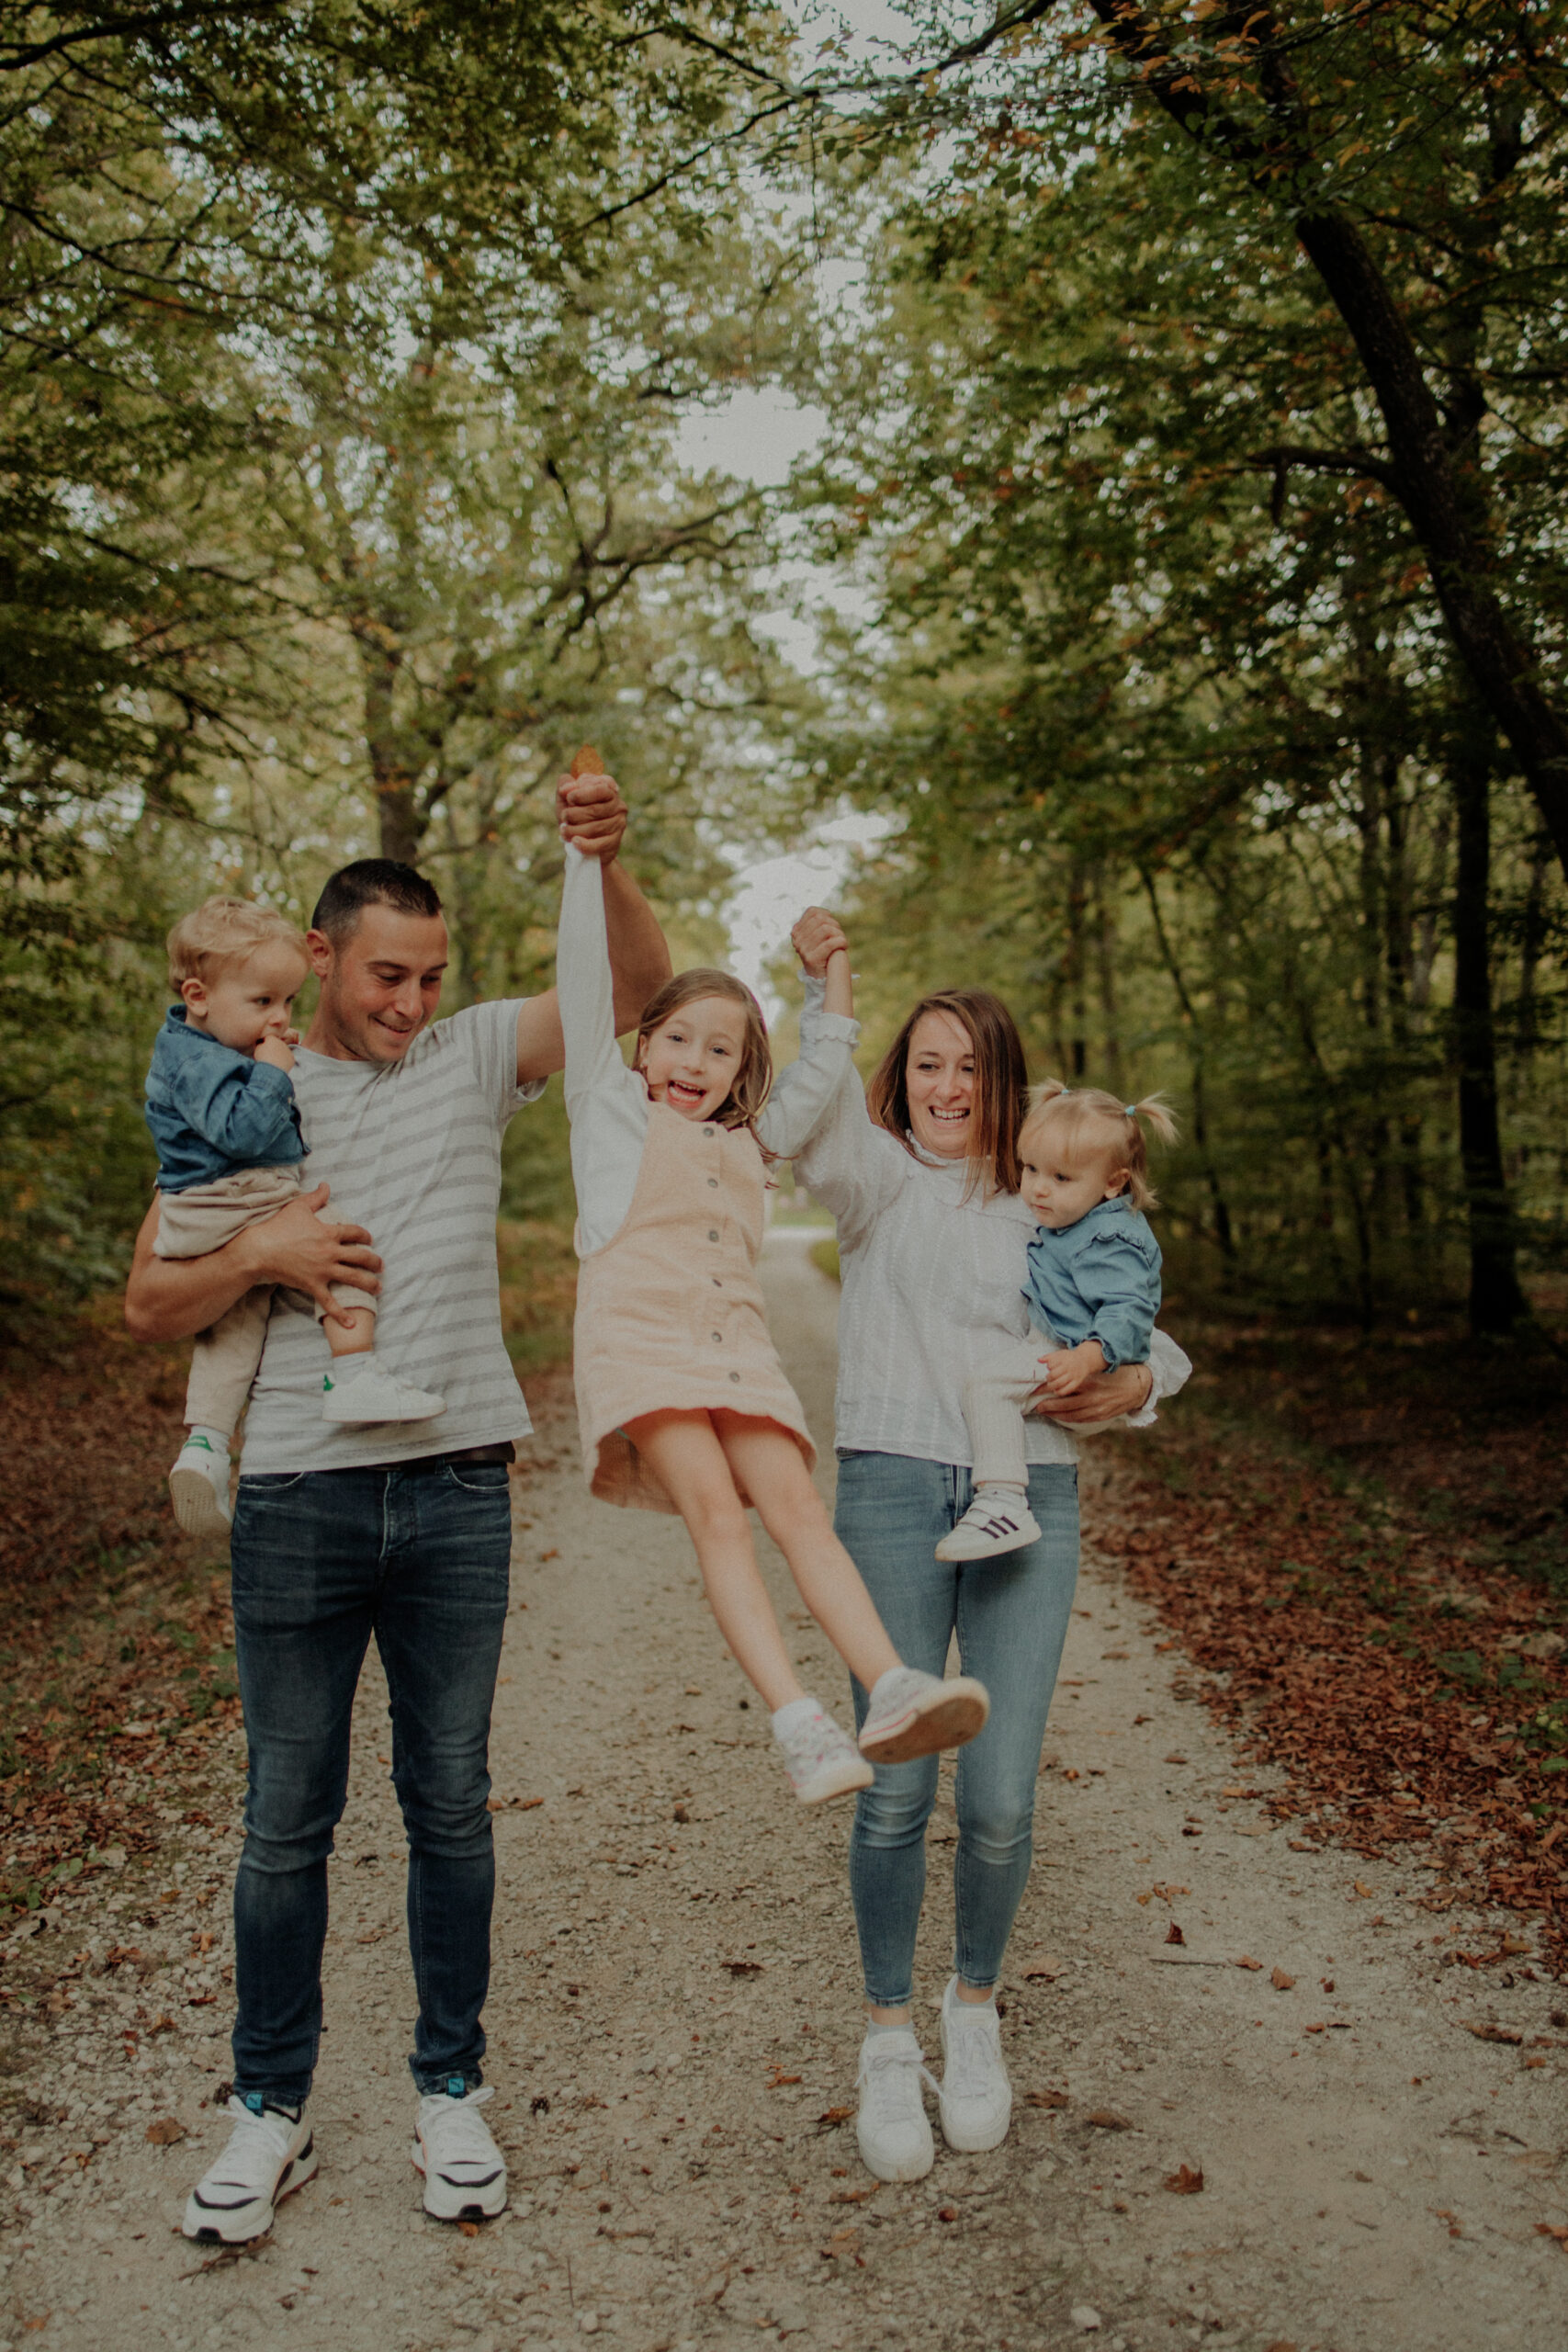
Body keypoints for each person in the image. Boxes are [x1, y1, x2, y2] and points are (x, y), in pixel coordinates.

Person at [123, 769, 670, 2244]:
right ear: (319, 960)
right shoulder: (244, 1082)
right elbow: (149, 1296)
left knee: (450, 1804)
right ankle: (267, 2113)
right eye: (385, 975)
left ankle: (449, 2091)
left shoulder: (483, 1051)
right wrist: (272, 1258)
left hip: (453, 1487)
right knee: (285, 1817)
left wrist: (602, 865)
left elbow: (641, 987)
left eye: (431, 975)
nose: (411, 1001)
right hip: (297, 1497)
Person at [790, 956, 1191, 2182]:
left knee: (1003, 1799)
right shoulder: (868, 1181)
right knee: (897, 1787)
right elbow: (807, 1120)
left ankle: (971, 2011)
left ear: (1000, 1080)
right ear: (898, 1079)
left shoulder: (1050, 1188)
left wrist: (1121, 1382)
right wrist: (827, 994)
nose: (945, 1087)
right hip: (892, 1493)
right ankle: (881, 2035)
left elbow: (1155, 1349)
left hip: (1033, 1496)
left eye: (967, 1067)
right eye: (925, 1065)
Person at [557, 842, 989, 1805]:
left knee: (796, 1506)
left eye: (723, 1049)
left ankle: (892, 1686)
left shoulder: (754, 1141)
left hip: (739, 1349)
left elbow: (825, 1058)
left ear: (743, 1069)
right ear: (642, 1044)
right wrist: (584, 864)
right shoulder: (608, 1112)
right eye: (679, 1040)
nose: (696, 1062)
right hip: (642, 1343)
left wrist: (826, 972)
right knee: (716, 1511)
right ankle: (798, 1721)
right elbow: (582, 981)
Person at [147, 897, 446, 1544]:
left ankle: (204, 1445)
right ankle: (354, 1373)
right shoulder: (203, 1058)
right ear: (198, 995)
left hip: (199, 1209)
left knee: (234, 1325)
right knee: (340, 1246)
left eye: (285, 1003)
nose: (279, 1019)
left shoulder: (195, 1047)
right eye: (262, 1004)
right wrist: (275, 1074)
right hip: (238, 1194)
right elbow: (244, 1128)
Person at [936, 1080, 1177, 1563]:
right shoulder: (1074, 1220)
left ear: (1114, 1183)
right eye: (1030, 1169)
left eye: (1061, 1178)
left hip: (1081, 1356)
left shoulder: (1109, 1238)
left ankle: (1003, 1502)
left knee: (986, 1388)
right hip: (1073, 1350)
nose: (1038, 1188)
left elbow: (1130, 1310)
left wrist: (1090, 1357)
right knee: (993, 1391)